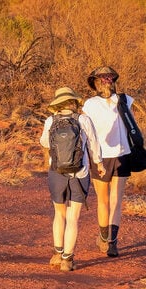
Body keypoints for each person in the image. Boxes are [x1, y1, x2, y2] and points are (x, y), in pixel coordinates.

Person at [40, 87, 105, 272]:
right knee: (73, 217)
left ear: (58, 104)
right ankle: (67, 260)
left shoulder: (50, 121)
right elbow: (93, 144)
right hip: (80, 173)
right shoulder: (83, 119)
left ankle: (57, 253)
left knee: (58, 214)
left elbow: (44, 142)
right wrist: (99, 164)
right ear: (74, 102)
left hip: (56, 172)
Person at [82, 66, 133, 258]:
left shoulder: (90, 104)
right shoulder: (125, 99)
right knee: (116, 201)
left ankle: (104, 239)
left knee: (102, 201)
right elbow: (132, 127)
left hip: (100, 156)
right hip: (122, 154)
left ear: (95, 83)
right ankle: (112, 243)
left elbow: (85, 131)